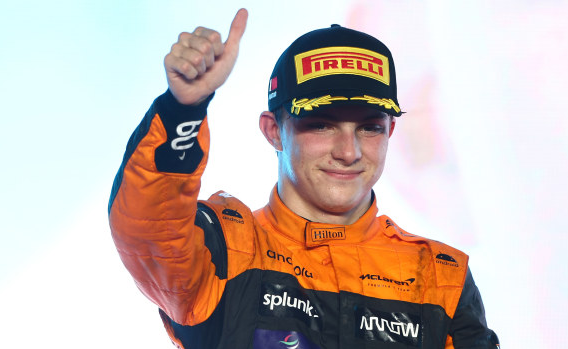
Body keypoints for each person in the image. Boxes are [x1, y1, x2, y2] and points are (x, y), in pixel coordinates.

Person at [108, 8, 499, 349]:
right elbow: (148, 229)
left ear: (391, 133)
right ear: (274, 131)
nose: (349, 152)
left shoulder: (440, 275)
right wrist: (183, 109)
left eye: (369, 128)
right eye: (322, 125)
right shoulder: (225, 249)